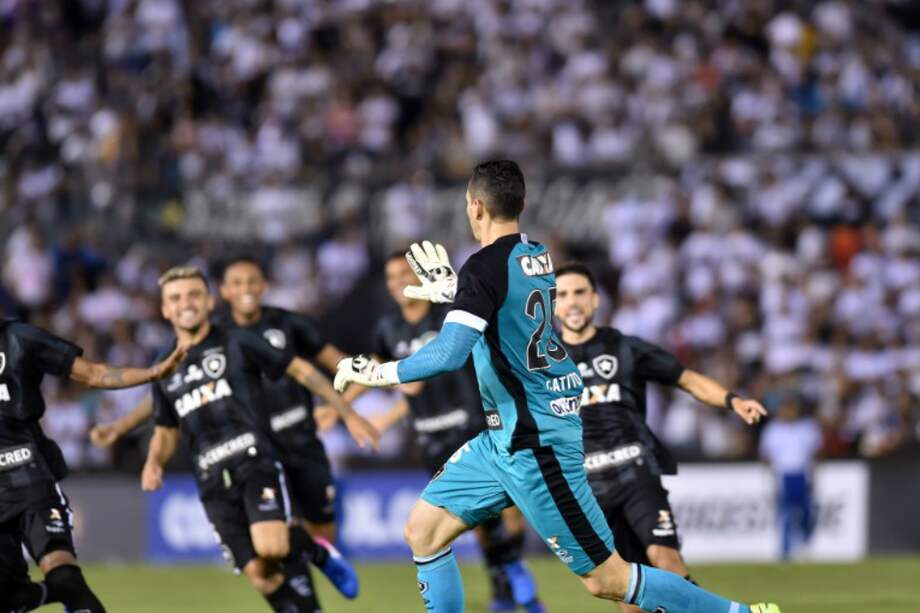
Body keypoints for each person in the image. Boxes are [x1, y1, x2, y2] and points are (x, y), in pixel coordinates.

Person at [333, 159, 781, 613]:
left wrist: (375, 373)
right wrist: (459, 294)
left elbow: (449, 354)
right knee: (423, 531)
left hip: (535, 442)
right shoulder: (535, 253)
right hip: (502, 437)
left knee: (608, 579)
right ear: (522, 204)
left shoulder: (483, 267)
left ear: (475, 207)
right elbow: (509, 314)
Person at [141, 266, 378, 612]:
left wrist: (346, 411)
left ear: (209, 301)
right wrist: (153, 463)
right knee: (261, 575)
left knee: (272, 548)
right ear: (164, 309)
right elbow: (165, 429)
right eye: (175, 298)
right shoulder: (161, 367)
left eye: (193, 295)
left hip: (254, 462)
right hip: (210, 481)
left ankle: (315, 550)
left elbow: (300, 369)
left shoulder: (235, 340)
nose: (185, 304)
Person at [553, 262, 768, 612]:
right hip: (587, 487)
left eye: (580, 293)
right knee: (630, 599)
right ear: (553, 306)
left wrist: (733, 400)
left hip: (635, 470)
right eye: (562, 295)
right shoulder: (544, 362)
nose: (572, 302)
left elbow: (686, 378)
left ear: (595, 300)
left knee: (667, 562)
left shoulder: (625, 348)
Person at [340, 250, 546, 612]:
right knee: (480, 523)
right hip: (430, 437)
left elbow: (445, 363)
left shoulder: (449, 315)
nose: (399, 281)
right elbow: (378, 366)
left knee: (508, 514)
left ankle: (513, 568)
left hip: (470, 425)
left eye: (405, 272)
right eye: (391, 276)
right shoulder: (388, 329)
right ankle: (505, 588)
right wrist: (339, 404)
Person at [92, 256, 348, 544]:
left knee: (322, 533)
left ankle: (313, 556)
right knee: (274, 535)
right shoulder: (216, 337)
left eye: (251, 281)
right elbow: (173, 391)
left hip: (298, 438)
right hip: (256, 443)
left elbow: (329, 366)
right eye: (236, 283)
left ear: (264, 286)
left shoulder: (286, 324)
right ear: (224, 292)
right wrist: (122, 426)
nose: (245, 289)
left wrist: (345, 407)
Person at [0, 317, 186, 613]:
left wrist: (153, 372)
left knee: (63, 574)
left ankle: (64, 587)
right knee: (10, 599)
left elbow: (94, 374)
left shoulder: (19, 338)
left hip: (29, 476)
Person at [759, 393, 822, 560]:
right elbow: (766, 455)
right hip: (783, 475)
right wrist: (769, 476)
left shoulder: (807, 428)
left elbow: (814, 454)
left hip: (802, 474)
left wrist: (814, 475)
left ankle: (806, 542)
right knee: (786, 512)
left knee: (806, 512)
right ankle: (785, 551)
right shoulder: (773, 430)